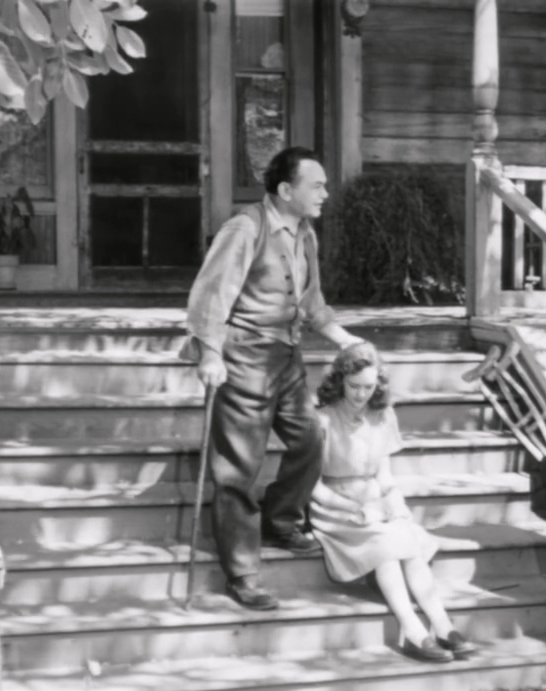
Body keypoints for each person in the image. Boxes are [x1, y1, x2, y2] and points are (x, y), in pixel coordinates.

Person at [183, 147, 363, 611]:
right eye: (316, 185)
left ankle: (280, 523)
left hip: (286, 356)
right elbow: (210, 294)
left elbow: (312, 301)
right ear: (286, 190)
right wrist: (209, 352)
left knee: (310, 441)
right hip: (242, 357)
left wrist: (345, 339)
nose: (326, 192)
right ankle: (242, 573)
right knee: (238, 467)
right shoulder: (245, 228)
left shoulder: (305, 234)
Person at [310, 342, 479, 664]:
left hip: (372, 499)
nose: (361, 395)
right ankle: (414, 630)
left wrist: (396, 503)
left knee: (409, 538)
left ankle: (443, 625)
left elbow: (385, 477)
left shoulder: (383, 416)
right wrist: (356, 509)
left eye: (369, 387)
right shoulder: (323, 420)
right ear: (340, 381)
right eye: (354, 386)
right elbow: (312, 488)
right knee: (387, 545)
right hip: (335, 507)